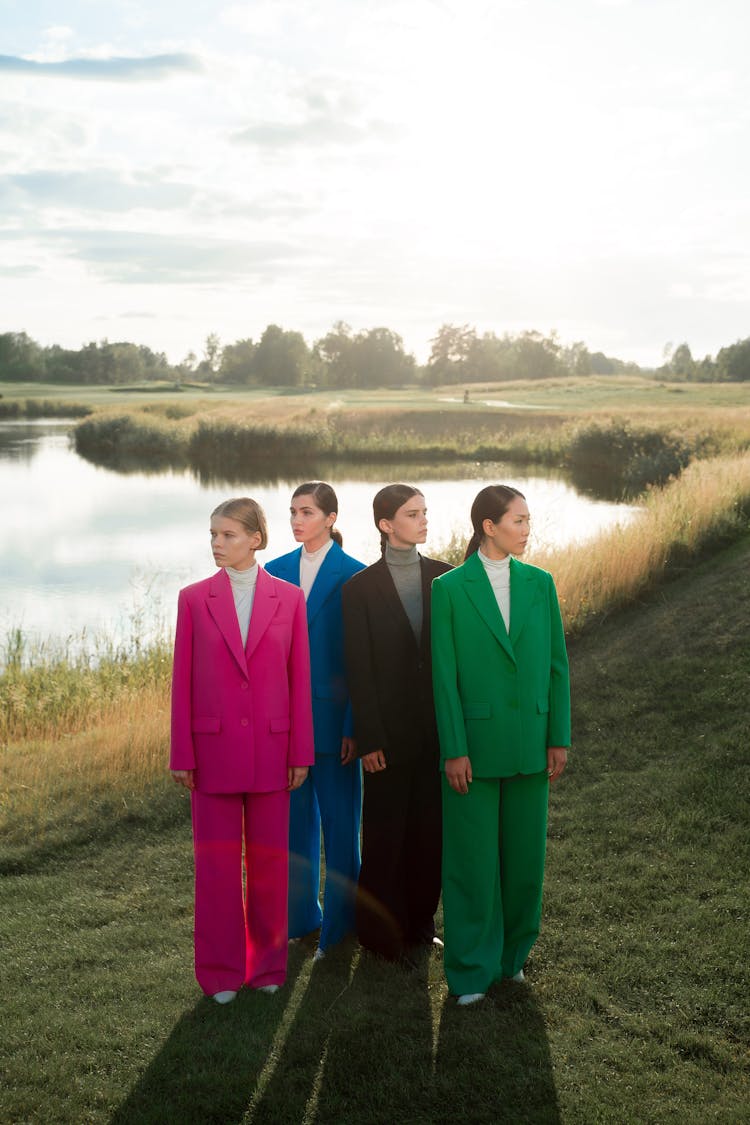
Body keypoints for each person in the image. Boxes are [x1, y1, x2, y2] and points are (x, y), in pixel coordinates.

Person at [170, 497, 314, 1004]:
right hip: (211, 755)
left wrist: (301, 752)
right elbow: (182, 683)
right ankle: (220, 972)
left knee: (271, 868)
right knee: (216, 872)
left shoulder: (290, 599)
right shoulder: (192, 600)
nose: (216, 543)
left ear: (256, 538)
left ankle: (268, 965)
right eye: (213, 534)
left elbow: (300, 681)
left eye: (228, 535)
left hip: (274, 753)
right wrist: (182, 754)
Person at [431, 485, 570, 1005]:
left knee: (524, 862)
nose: (526, 530)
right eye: (518, 521)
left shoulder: (541, 584)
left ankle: (513, 961)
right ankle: (469, 970)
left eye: (528, 521)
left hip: (532, 745)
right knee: (471, 865)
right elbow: (444, 678)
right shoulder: (449, 588)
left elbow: (557, 666)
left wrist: (558, 737)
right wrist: (454, 748)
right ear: (489, 526)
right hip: (473, 749)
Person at [342, 483, 452, 962]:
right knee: (385, 835)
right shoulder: (360, 589)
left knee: (429, 834)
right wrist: (369, 738)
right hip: (385, 737)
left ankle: (421, 926)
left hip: (437, 732)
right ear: (386, 525)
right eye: (413, 513)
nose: (424, 520)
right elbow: (358, 671)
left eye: (425, 512)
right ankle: (378, 935)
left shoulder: (447, 578)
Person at [265, 482, 365, 959]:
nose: (296, 520)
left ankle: (340, 926)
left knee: (341, 828)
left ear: (330, 518)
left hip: (333, 724)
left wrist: (352, 725)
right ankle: (303, 918)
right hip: (285, 724)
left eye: (306, 512)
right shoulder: (275, 570)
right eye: (292, 512)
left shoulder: (355, 575)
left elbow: (359, 662)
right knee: (294, 827)